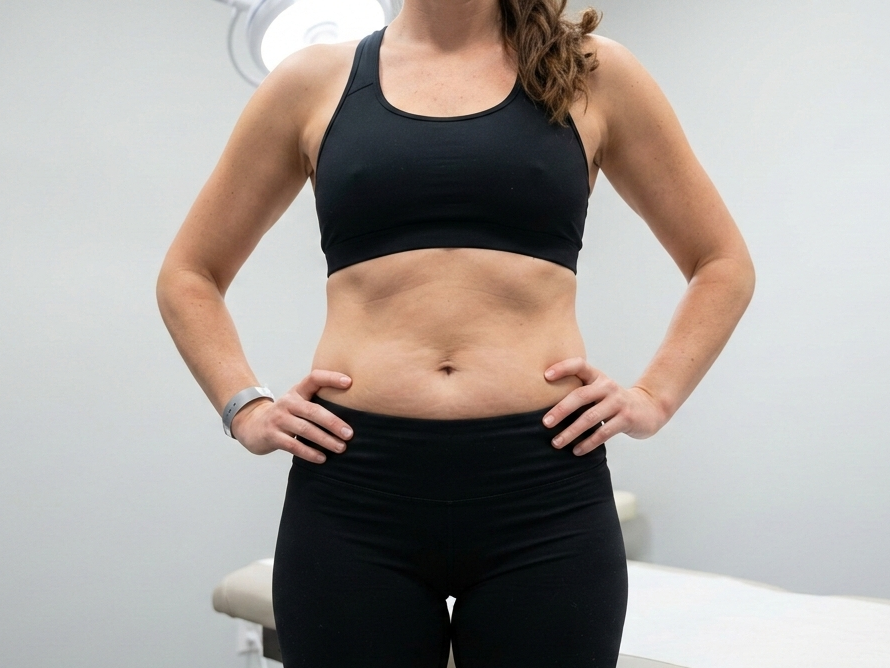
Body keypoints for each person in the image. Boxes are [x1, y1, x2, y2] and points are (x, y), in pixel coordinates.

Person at [156, 0, 755, 665]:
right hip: (355, 492)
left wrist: (655, 396)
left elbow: (721, 263)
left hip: (543, 491)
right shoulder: (313, 81)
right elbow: (190, 273)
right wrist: (245, 407)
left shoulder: (589, 73)